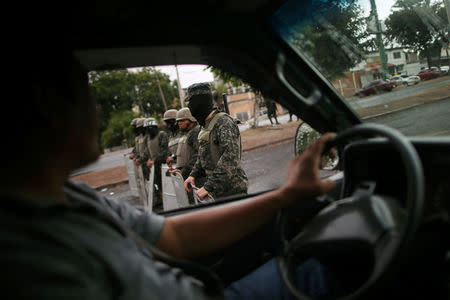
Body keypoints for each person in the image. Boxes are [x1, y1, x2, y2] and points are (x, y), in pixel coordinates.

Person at [1, 51, 340, 299]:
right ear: (47, 105)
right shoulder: (28, 256)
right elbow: (197, 165)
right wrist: (195, 178)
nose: (97, 108)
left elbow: (175, 234)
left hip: (228, 190)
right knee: (325, 267)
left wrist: (284, 196)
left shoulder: (78, 200)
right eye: (83, 91)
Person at [184, 83, 248, 200]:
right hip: (216, 193)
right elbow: (203, 155)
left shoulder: (223, 122)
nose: (190, 108)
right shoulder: (205, 125)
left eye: (190, 103)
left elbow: (230, 159)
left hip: (232, 192)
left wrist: (209, 187)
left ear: (199, 102)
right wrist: (193, 174)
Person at [144, 117, 169, 204]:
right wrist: (148, 160)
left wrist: (154, 161)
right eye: (148, 128)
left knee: (166, 186)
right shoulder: (147, 139)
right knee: (157, 184)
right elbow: (148, 152)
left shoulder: (162, 135)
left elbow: (165, 151)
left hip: (164, 165)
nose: (150, 130)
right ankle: (161, 199)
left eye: (152, 127)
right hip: (154, 167)